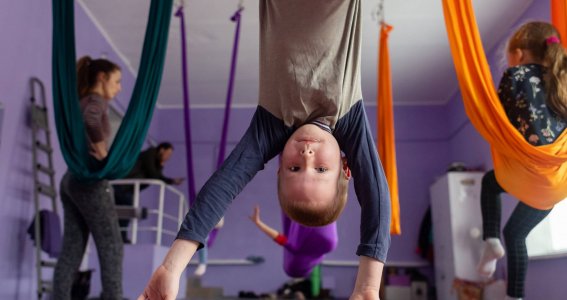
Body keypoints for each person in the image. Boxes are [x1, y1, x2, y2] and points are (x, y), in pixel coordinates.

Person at [138, 1, 390, 299]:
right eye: (321, 170)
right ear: (348, 168)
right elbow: (376, 200)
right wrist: (368, 286)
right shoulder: (348, 118)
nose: (307, 157)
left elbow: (222, 187)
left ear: (280, 165)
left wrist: (172, 267)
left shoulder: (271, 125)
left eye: (295, 169)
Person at [476, 21, 567, 300]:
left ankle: (490, 240)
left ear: (518, 54)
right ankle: (514, 296)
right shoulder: (562, 79)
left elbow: (499, 120)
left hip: (526, 170)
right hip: (556, 184)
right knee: (515, 235)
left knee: (490, 182)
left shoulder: (515, 75)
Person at [53, 56, 124, 300]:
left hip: (70, 180)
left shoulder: (81, 101)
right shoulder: (96, 100)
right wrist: (103, 150)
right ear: (101, 78)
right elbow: (91, 120)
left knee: (72, 250)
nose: (119, 87)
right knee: (112, 248)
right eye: (116, 81)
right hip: (90, 183)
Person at [113, 142, 183, 243]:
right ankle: (120, 238)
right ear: (161, 150)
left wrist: (171, 180)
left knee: (125, 214)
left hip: (128, 189)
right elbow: (153, 174)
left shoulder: (155, 160)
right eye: (167, 154)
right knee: (123, 213)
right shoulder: (150, 154)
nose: (168, 157)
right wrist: (161, 166)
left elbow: (157, 176)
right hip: (123, 186)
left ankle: (121, 238)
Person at [249, 205, 338, 278]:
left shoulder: (330, 246)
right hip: (304, 205)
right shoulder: (294, 247)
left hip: (322, 205)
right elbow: (276, 236)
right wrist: (258, 223)